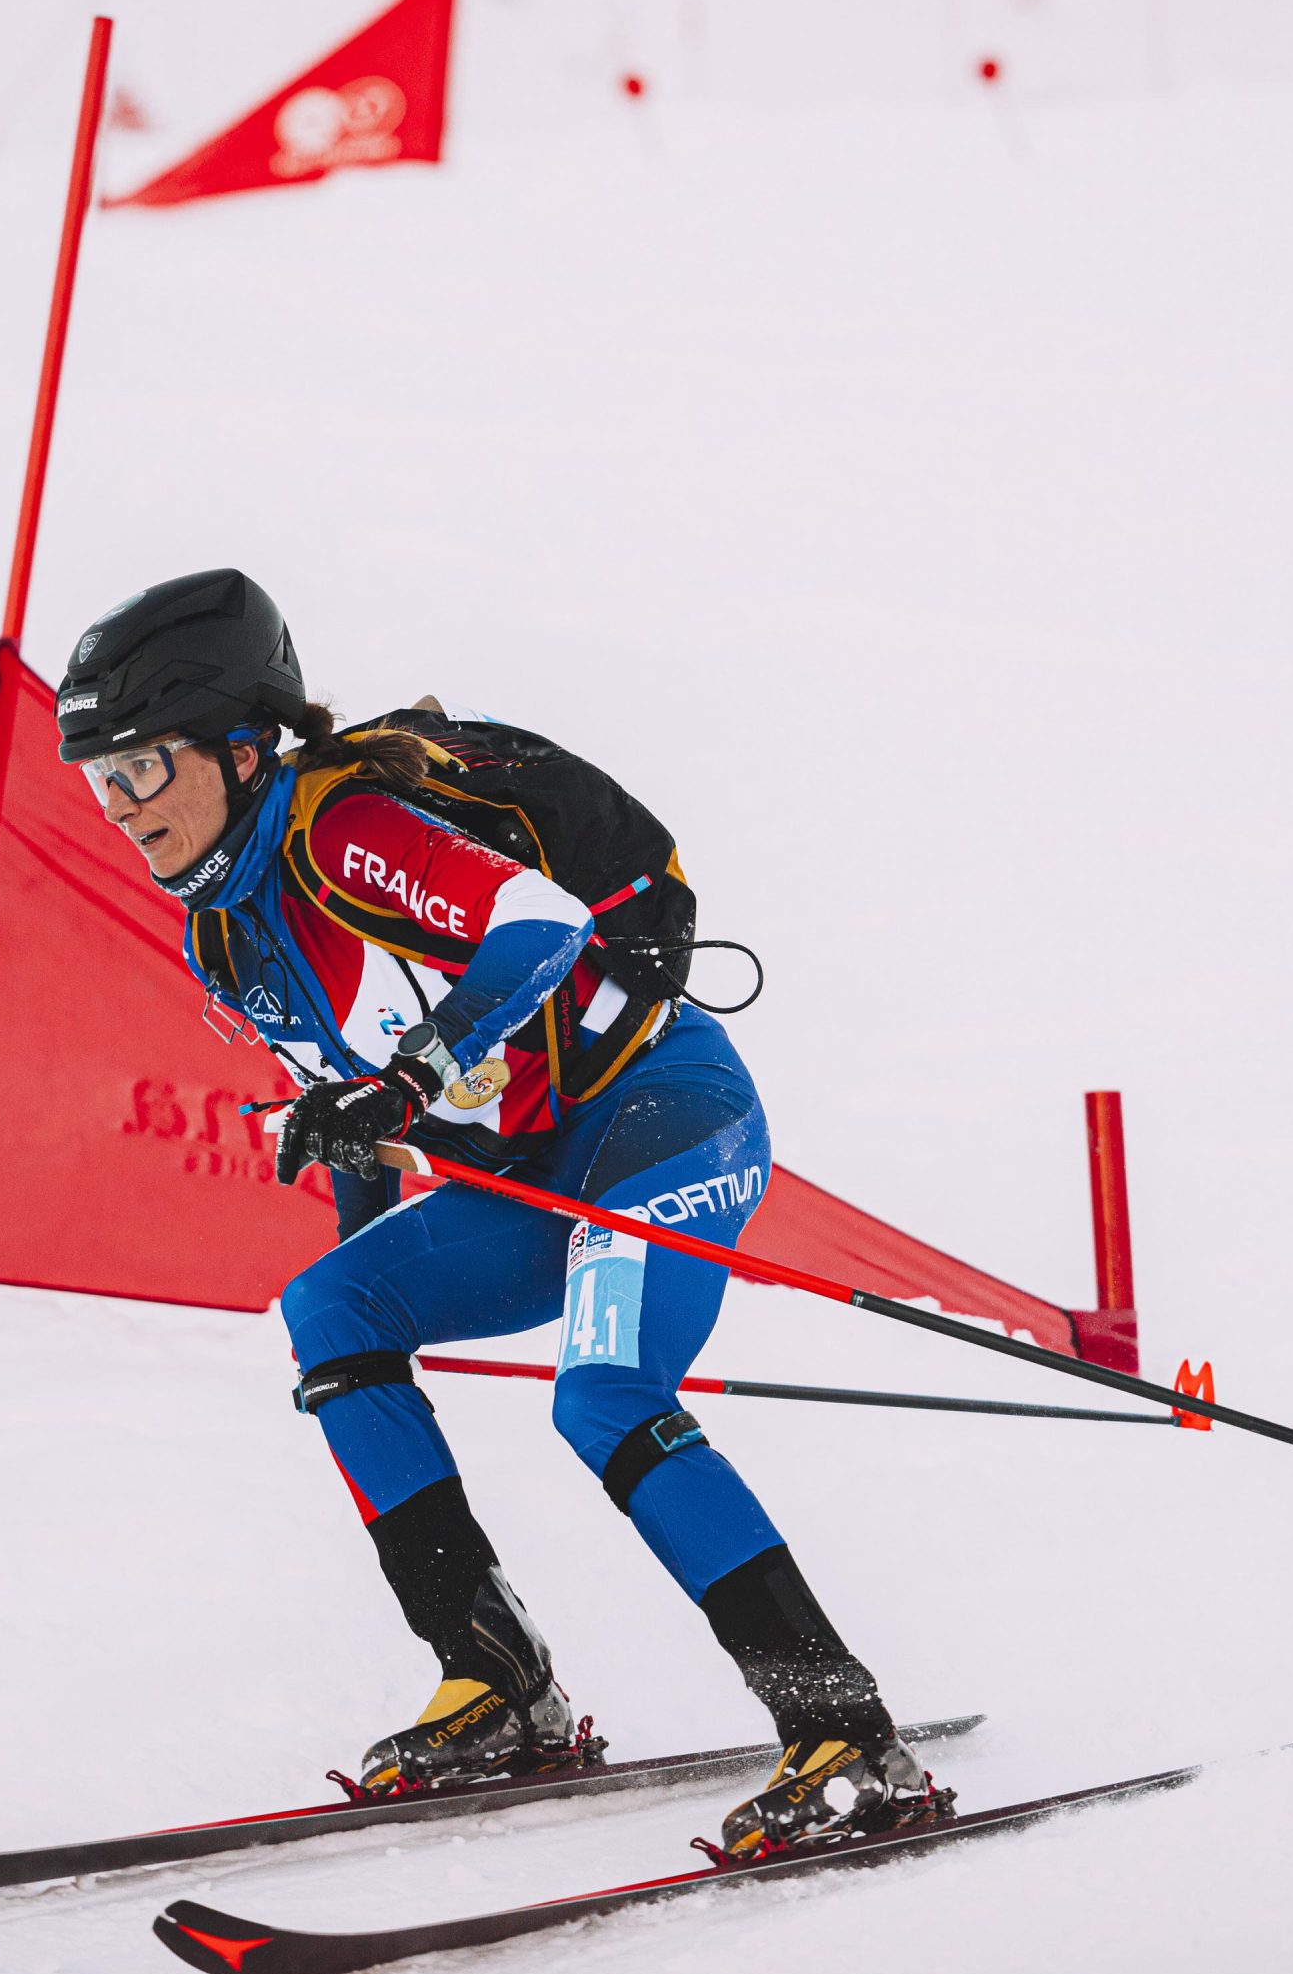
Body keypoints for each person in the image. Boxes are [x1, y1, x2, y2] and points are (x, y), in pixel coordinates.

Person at [56, 567, 940, 1857]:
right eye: (101, 784)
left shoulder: (335, 829)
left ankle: (844, 1728)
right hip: (534, 1167)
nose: (122, 813)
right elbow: (367, 1125)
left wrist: (411, 1079)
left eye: (142, 771)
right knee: (331, 1305)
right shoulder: (227, 936)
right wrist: (369, 1172)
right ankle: (500, 1686)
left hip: (662, 1116)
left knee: (602, 1397)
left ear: (241, 750)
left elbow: (538, 924)